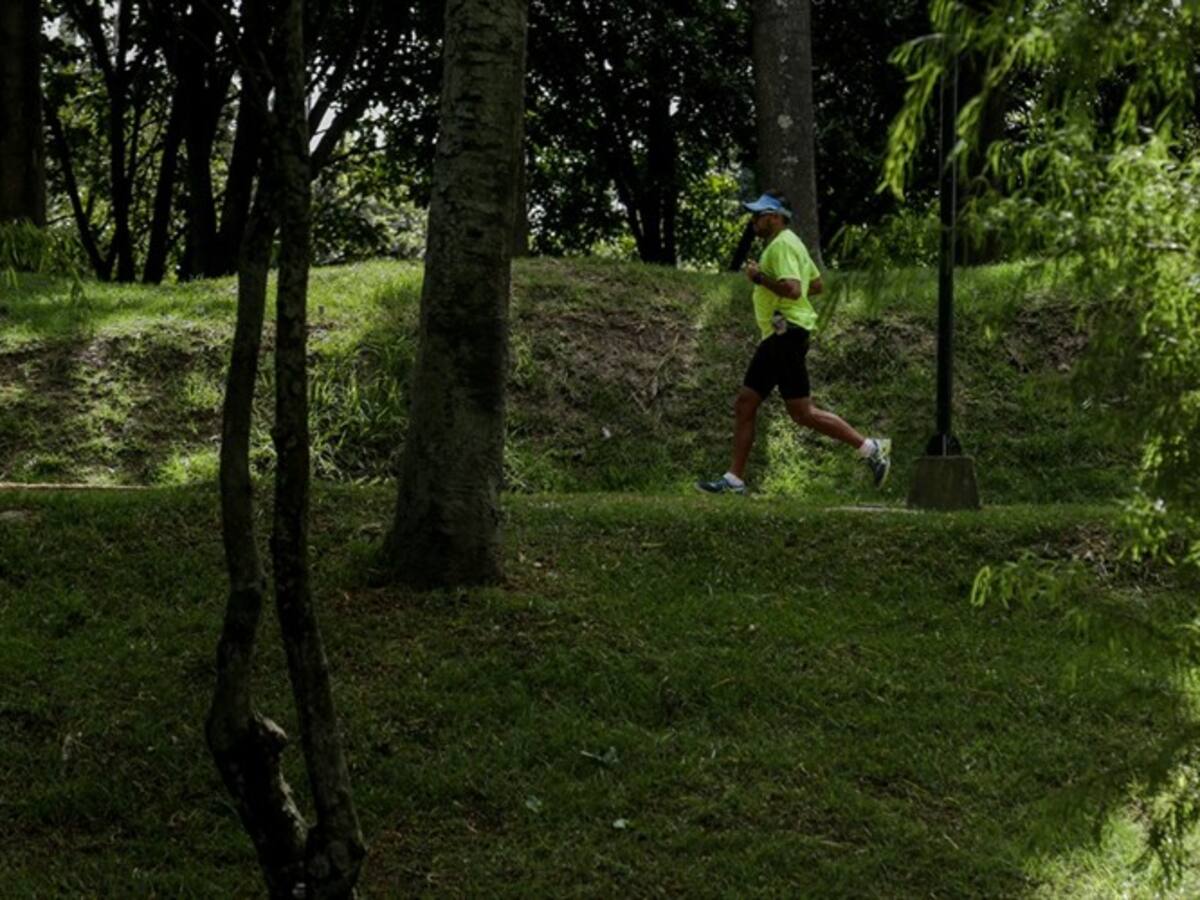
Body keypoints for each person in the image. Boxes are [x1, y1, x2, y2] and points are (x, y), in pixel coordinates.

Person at [697, 191, 890, 495]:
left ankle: (870, 447)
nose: (753, 221)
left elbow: (793, 288)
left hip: (784, 333)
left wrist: (760, 279)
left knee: (772, 407)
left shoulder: (782, 245)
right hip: (787, 332)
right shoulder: (793, 244)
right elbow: (815, 284)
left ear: (774, 217)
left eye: (758, 215)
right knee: (786, 410)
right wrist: (784, 297)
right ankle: (869, 448)